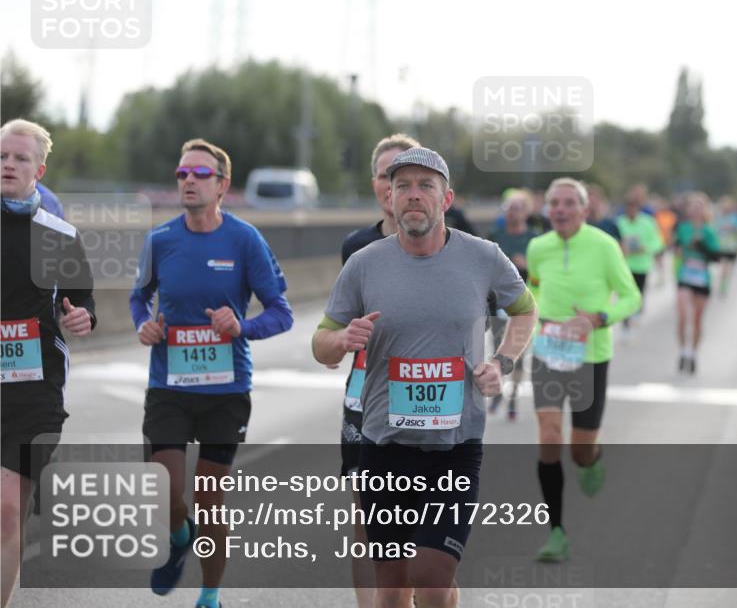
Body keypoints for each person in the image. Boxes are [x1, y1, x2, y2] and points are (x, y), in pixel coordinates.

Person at [312, 147, 537, 608]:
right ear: (390, 198)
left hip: (455, 447)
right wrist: (342, 339)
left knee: (432, 580)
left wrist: (502, 362)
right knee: (394, 588)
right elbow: (321, 343)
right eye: (403, 186)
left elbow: (525, 310)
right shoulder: (364, 263)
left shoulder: (483, 257)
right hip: (384, 447)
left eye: (425, 186)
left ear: (446, 198)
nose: (413, 195)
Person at [130, 138, 293, 608]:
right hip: (169, 385)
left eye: (200, 173)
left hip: (226, 390)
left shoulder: (244, 240)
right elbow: (139, 298)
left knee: (210, 499)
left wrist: (242, 326)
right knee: (163, 491)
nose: (188, 180)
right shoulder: (160, 240)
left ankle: (210, 595)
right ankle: (180, 536)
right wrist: (144, 325)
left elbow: (281, 312)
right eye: (182, 173)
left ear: (222, 184)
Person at [1, 120, 96, 608]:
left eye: (19, 158)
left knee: (7, 510)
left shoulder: (60, 236)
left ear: (39, 169)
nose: (8, 165)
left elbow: (84, 303)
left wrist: (82, 317)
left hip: (35, 392)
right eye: (1, 156)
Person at [526, 178, 641, 563]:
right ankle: (556, 531)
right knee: (548, 436)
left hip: (590, 356)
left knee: (579, 450)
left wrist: (600, 318)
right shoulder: (538, 247)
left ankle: (591, 458)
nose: (560, 209)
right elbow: (534, 288)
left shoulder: (605, 246)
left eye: (568, 203)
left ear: (584, 209)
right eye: (554, 203)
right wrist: (538, 314)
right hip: (548, 351)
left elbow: (632, 296)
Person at [338, 132, 420, 608]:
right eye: (389, 175)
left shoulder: (449, 243)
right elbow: (337, 323)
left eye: (408, 176)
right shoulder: (356, 248)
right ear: (376, 185)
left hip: (427, 398)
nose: (397, 185)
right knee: (366, 517)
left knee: (419, 522)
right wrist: (339, 340)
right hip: (364, 397)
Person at [487, 189, 537, 420]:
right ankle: (498, 395)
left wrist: (526, 265)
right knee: (498, 351)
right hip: (498, 305)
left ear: (526, 212)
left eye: (517, 208)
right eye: (508, 207)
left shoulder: (534, 239)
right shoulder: (495, 235)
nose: (511, 212)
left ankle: (514, 397)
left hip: (522, 308)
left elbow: (542, 274)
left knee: (518, 355)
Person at [674, 192, 721, 374]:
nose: (695, 210)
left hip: (702, 278)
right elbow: (676, 246)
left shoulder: (709, 230)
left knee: (697, 319)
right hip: (685, 276)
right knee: (683, 316)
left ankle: (694, 354)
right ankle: (682, 352)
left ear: (705, 210)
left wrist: (701, 245)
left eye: (699, 207)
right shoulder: (683, 227)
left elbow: (716, 257)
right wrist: (681, 247)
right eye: (693, 206)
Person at [616, 187, 664, 327]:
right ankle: (625, 322)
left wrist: (646, 248)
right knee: (625, 293)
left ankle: (637, 313)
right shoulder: (619, 222)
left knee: (639, 293)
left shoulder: (648, 222)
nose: (631, 211)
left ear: (638, 208)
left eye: (633, 207)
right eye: (628, 208)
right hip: (624, 264)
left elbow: (657, 242)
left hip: (642, 265)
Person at [712, 197, 737, 297]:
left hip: (732, 246)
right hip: (721, 245)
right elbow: (714, 230)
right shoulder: (718, 217)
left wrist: (733, 229)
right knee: (723, 267)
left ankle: (725, 284)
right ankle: (722, 283)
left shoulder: (735, 218)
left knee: (728, 267)